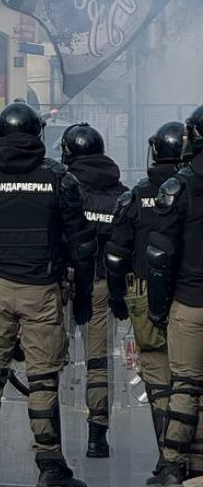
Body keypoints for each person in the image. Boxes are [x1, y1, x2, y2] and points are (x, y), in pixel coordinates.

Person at [0, 101, 95, 487]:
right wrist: (81, 295)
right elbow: (81, 244)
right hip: (42, 290)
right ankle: (50, 467)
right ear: (37, 134)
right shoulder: (59, 179)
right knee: (43, 381)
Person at [106, 120, 186, 480]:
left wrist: (117, 297)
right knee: (191, 380)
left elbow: (115, 253)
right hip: (189, 292)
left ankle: (166, 460)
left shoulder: (136, 196)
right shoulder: (192, 189)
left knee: (157, 378)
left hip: (142, 292)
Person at [59, 123, 126, 459]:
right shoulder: (121, 192)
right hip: (101, 283)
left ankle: (47, 434)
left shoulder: (63, 186)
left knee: (49, 361)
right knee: (99, 362)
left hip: (63, 282)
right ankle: (97, 436)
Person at [147, 103, 203, 486]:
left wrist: (158, 305)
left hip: (190, 299)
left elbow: (160, 254)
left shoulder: (178, 186)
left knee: (184, 385)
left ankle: (171, 466)